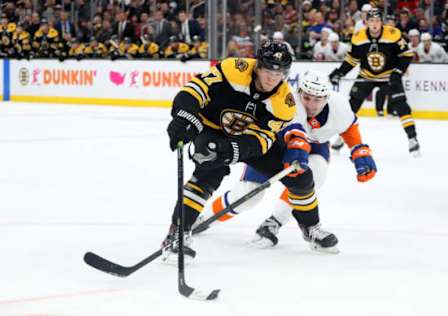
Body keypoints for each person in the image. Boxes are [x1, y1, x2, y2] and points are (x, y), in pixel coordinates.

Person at [163, 41, 326, 262]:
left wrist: (232, 151)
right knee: (208, 169)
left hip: (249, 139)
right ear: (258, 66)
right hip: (211, 128)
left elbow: (263, 140)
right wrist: (185, 118)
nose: (272, 78)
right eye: (268, 70)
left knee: (300, 176)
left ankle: (311, 227)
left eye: (278, 73)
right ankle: (177, 234)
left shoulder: (285, 103)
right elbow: (195, 89)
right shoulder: (233, 69)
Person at [193, 70, 376, 253]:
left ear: (327, 97)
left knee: (316, 173)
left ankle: (274, 223)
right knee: (248, 195)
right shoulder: (288, 100)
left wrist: (360, 151)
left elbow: (349, 127)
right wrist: (297, 148)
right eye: (307, 97)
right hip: (275, 145)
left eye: (317, 99)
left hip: (313, 145)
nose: (311, 105)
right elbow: (295, 132)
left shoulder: (339, 104)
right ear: (299, 93)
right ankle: (206, 218)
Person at [329, 9, 421, 157]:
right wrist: (340, 72)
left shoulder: (393, 34)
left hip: (389, 77)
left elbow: (406, 55)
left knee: (402, 106)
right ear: (366, 22)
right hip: (366, 76)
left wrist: (397, 72)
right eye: (371, 21)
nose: (374, 24)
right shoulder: (358, 37)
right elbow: (352, 60)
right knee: (351, 107)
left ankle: (412, 139)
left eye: (377, 21)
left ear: (381, 22)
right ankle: (341, 139)